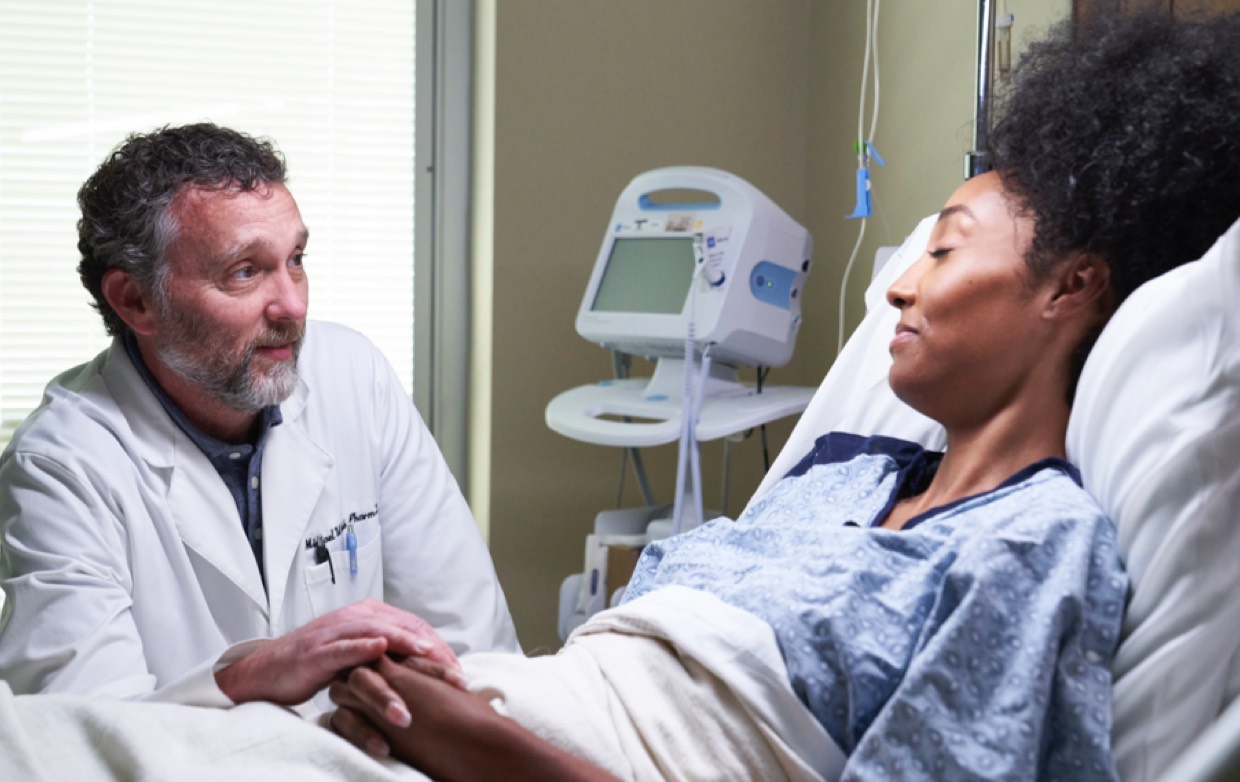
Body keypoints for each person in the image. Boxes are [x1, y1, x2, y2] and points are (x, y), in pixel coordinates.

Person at [325, 12, 1240, 782]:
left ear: (1072, 287)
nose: (896, 286)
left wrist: (484, 746)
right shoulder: (843, 468)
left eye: (945, 249)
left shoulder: (1032, 547)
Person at [0, 123, 519, 710]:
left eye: (295, 259)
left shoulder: (354, 374)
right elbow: (80, 737)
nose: (294, 305)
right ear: (136, 300)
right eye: (245, 271)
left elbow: (472, 647)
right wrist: (245, 678)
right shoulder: (61, 465)